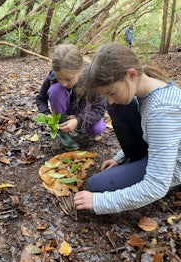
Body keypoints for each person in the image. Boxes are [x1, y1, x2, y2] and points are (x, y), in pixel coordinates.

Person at [74, 42, 181, 214]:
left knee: (96, 185)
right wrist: (120, 157)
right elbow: (149, 133)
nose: (109, 101)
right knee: (119, 105)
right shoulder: (144, 89)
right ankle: (133, 161)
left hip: (173, 168)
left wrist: (100, 202)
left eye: (111, 92)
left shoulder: (162, 111)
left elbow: (156, 185)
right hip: (155, 150)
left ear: (131, 74)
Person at [36, 44, 107, 151]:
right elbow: (40, 99)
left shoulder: (92, 78)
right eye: (59, 78)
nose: (64, 83)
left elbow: (99, 109)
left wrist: (78, 121)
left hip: (83, 108)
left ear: (80, 70)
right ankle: (63, 133)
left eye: (68, 79)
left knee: (97, 129)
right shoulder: (52, 77)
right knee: (56, 89)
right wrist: (46, 114)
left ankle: (78, 126)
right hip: (64, 106)